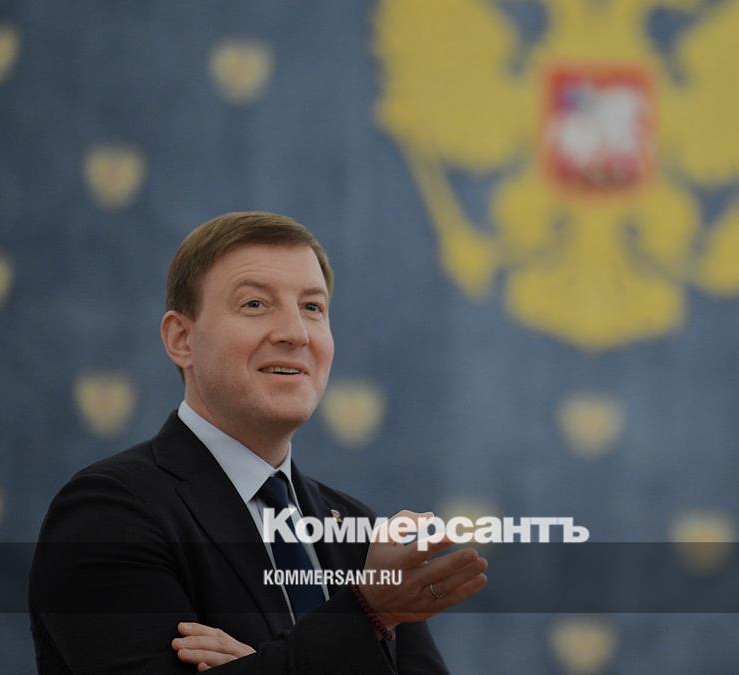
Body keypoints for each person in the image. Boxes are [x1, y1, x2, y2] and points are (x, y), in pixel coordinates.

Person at [28, 212, 487, 673]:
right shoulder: (107, 513)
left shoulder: (360, 533)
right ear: (181, 339)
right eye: (255, 304)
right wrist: (366, 613)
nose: (295, 333)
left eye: (312, 308)